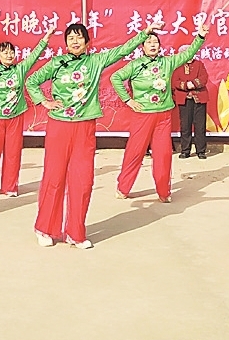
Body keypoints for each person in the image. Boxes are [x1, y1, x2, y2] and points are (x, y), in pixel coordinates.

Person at [25, 18, 163, 249]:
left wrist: (143, 33)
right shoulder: (56, 63)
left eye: (79, 37)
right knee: (54, 178)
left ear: (87, 42)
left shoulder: (96, 61)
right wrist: (44, 101)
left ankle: (75, 232)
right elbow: (31, 82)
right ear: (65, 43)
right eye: (70, 38)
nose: (75, 41)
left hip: (85, 128)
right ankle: (45, 228)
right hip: (59, 127)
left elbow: (122, 51)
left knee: (83, 180)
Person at [112, 23, 210, 201]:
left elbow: (188, 54)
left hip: (163, 117)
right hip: (142, 116)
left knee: (163, 155)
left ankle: (164, 192)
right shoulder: (135, 65)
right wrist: (128, 100)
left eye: (155, 42)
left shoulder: (167, 62)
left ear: (160, 46)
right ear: (142, 47)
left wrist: (200, 36)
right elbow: (115, 77)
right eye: (149, 42)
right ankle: (123, 187)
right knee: (135, 153)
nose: (152, 44)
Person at [0, 25, 55, 197]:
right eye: (5, 52)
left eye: (11, 52)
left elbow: (34, 55)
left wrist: (46, 37)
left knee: (13, 152)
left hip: (15, 117)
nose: (9, 55)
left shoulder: (20, 69)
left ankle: (10, 186)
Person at [172, 50, 210, 159]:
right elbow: (174, 81)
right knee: (185, 126)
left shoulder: (199, 64)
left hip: (199, 99)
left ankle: (201, 151)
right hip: (184, 99)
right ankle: (185, 150)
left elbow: (204, 78)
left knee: (200, 126)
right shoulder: (177, 66)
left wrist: (193, 84)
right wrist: (185, 85)